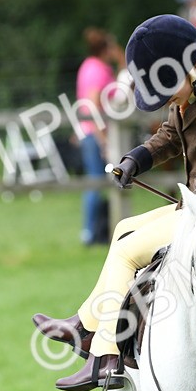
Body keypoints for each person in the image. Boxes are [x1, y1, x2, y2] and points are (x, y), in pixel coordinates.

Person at [33, 15, 196, 391]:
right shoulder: (188, 97)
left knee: (128, 252)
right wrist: (136, 159)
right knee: (122, 230)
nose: (167, 100)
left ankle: (106, 356)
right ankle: (84, 324)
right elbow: (168, 139)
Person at [76, 28, 122, 245]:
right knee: (96, 181)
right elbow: (94, 104)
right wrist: (103, 139)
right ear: (107, 48)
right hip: (95, 133)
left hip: (87, 131)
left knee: (95, 181)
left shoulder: (87, 66)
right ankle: (90, 232)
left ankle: (93, 230)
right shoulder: (99, 69)